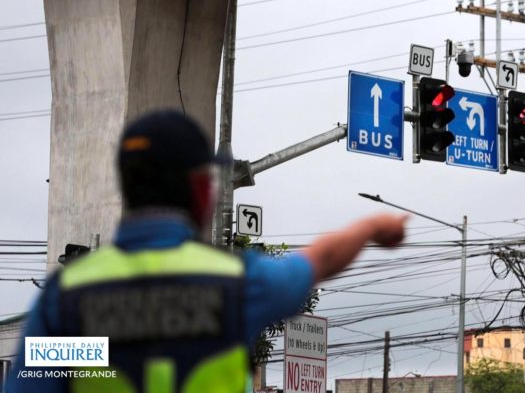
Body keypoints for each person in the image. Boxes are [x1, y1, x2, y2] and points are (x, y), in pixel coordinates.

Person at [7, 110, 407, 392]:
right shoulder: (235, 282)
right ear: (200, 190)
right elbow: (319, 260)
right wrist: (371, 226)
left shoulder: (66, 297)